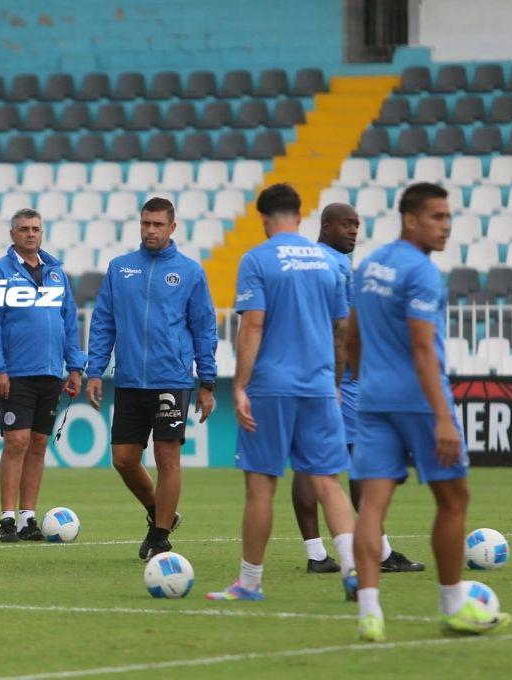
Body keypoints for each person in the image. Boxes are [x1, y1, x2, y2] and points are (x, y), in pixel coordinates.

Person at [348, 183, 510, 642]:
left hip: (375, 400)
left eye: (447, 217)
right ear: (411, 219)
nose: (446, 226)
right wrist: (442, 416)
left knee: (372, 508)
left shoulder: (370, 265)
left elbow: (352, 337)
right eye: (437, 217)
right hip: (421, 402)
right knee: (453, 500)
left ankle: (370, 613)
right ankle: (453, 606)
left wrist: (366, 379)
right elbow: (423, 348)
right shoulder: (421, 272)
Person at [207, 184, 357, 602]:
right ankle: (353, 569)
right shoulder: (329, 263)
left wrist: (239, 387)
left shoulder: (257, 259)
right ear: (300, 214)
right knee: (328, 480)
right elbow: (341, 331)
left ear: (263, 218)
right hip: (319, 386)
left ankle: (250, 583)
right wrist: (335, 385)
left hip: (271, 387)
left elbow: (252, 326)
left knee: (261, 487)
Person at [291, 203, 424, 575]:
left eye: (357, 225)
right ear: (326, 225)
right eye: (347, 224)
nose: (353, 231)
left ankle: (316, 554)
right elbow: (346, 330)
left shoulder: (302, 260)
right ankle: (378, 551)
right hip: (340, 377)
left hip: (302, 372)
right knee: (361, 459)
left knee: (308, 462)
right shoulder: (337, 265)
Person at [86, 196, 218, 560]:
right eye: (146, 223)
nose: (150, 230)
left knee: (167, 456)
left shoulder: (190, 272)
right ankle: (161, 511)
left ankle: (159, 535)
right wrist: (94, 370)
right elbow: (103, 323)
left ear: (172, 227)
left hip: (171, 378)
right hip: (129, 379)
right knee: (123, 459)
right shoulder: (120, 268)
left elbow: (204, 328)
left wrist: (207, 381)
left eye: (158, 224)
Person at [0, 208, 88, 542]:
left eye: (36, 229)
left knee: (38, 443)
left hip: (51, 371)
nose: (30, 234)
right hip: (15, 372)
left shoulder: (56, 274)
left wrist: (75, 366)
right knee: (17, 441)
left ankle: (28, 518)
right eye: (23, 229)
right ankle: (7, 519)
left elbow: (70, 322)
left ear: (42, 233)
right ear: (12, 234)